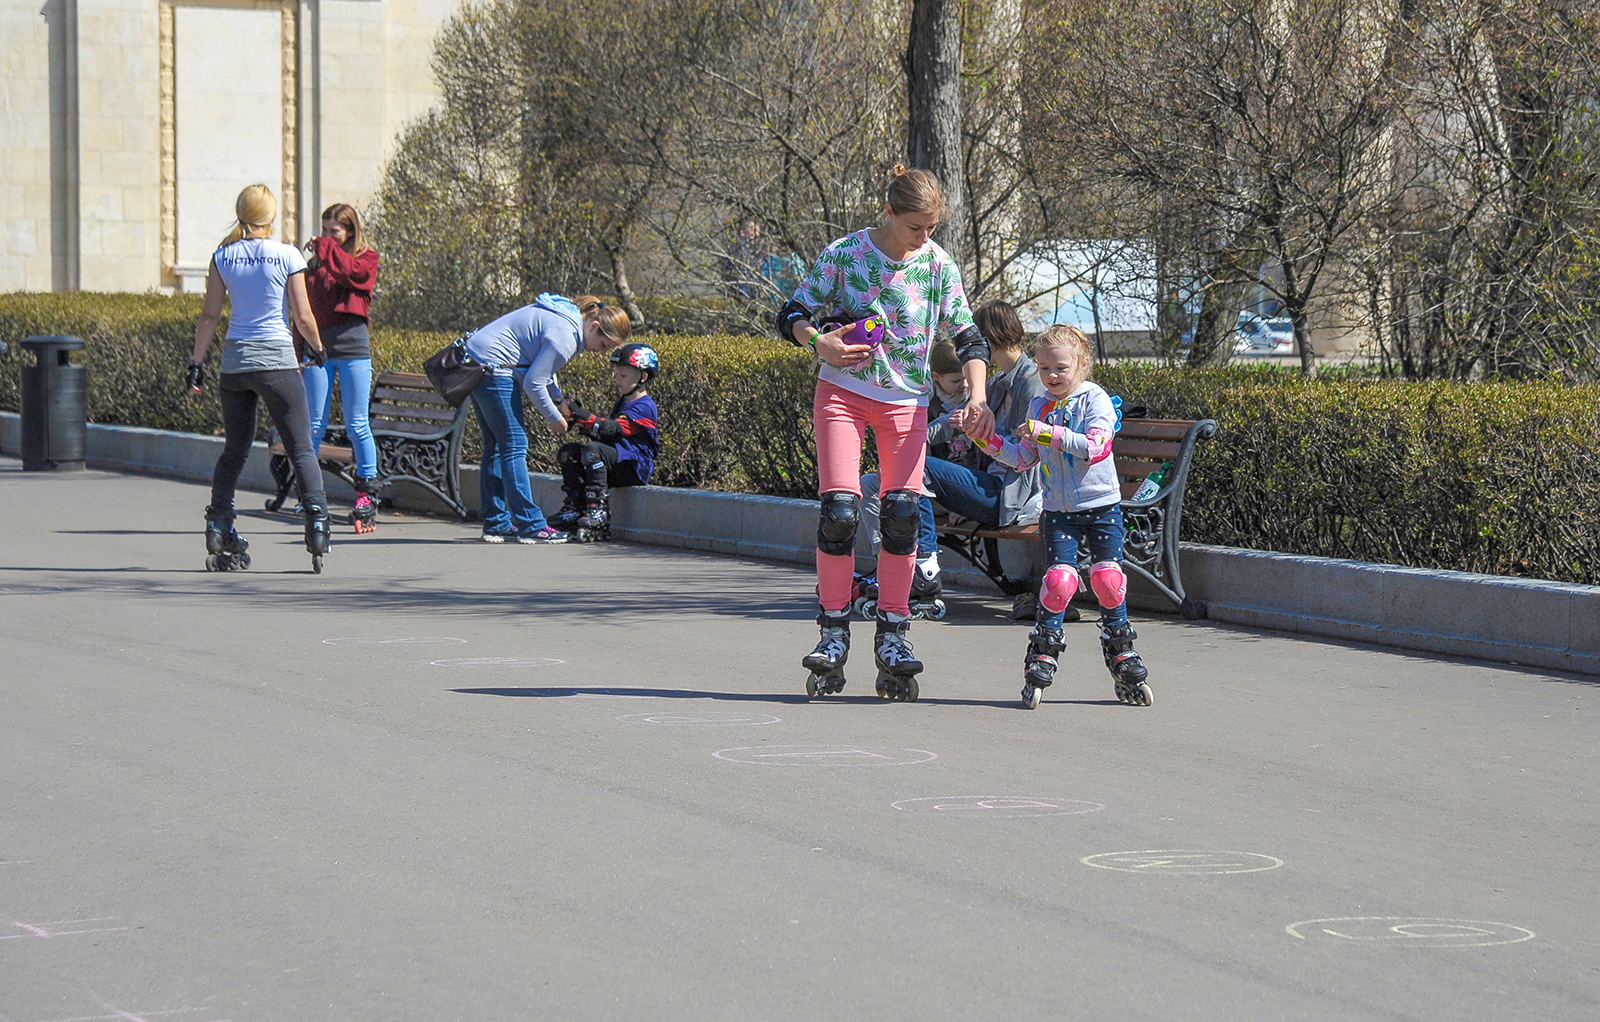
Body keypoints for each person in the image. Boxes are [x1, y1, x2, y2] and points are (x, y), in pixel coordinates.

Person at [777, 165, 995, 701]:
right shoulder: (845, 253)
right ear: (890, 212)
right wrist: (818, 343)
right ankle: (832, 633)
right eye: (916, 226)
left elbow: (969, 337)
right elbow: (792, 312)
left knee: (901, 513)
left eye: (932, 226)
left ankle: (894, 635)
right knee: (840, 511)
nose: (925, 237)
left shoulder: (938, 264)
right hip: (842, 395)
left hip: (905, 404)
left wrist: (979, 396)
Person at [962, 324, 1153, 708]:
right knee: (1060, 581)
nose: (1051, 376)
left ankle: (1120, 647)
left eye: (1060, 368)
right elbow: (1023, 458)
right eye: (1044, 367)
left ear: (1082, 364)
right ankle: (1043, 650)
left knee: (1107, 578)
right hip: (1058, 510)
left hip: (1100, 506)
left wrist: (1047, 434)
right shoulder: (1039, 406)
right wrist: (985, 439)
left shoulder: (1093, 400)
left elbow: (1095, 448)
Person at [187, 183, 332, 573]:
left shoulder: (223, 256)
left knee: (234, 449)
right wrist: (318, 350)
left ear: (241, 214)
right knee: (300, 446)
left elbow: (210, 316)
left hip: (235, 364)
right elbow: (302, 316)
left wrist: (197, 363)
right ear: (271, 216)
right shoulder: (287, 255)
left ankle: (219, 522)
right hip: (277, 363)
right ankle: (317, 523)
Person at [462, 294, 631, 543]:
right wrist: (555, 419)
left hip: (478, 362)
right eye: (604, 345)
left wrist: (559, 400)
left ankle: (496, 523)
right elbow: (533, 382)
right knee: (515, 445)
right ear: (594, 327)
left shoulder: (569, 320)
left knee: (497, 447)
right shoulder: (566, 337)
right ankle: (531, 526)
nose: (600, 352)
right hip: (494, 369)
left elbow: (542, 368)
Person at [926, 299, 1050, 617]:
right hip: (990, 487)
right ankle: (914, 566)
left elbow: (1028, 457)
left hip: (1010, 497)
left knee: (916, 465)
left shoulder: (1031, 382)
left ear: (987, 339)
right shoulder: (995, 384)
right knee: (902, 470)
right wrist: (964, 500)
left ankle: (922, 567)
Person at [294, 203, 381, 533]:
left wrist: (327, 248)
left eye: (335, 231)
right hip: (319, 351)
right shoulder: (315, 265)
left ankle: (366, 494)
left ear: (349, 232)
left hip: (354, 349)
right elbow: (303, 312)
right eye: (325, 230)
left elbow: (352, 274)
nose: (327, 237)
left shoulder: (366, 259)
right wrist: (298, 350)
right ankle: (310, 491)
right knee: (313, 423)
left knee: (357, 422)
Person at [552, 342, 661, 541]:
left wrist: (581, 414)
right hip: (617, 460)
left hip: (634, 466)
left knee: (594, 451)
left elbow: (615, 428)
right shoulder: (623, 401)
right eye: (616, 374)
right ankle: (574, 507)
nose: (617, 379)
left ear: (643, 377)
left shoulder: (646, 406)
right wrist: (585, 428)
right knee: (569, 453)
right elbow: (610, 437)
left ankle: (598, 512)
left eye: (623, 375)